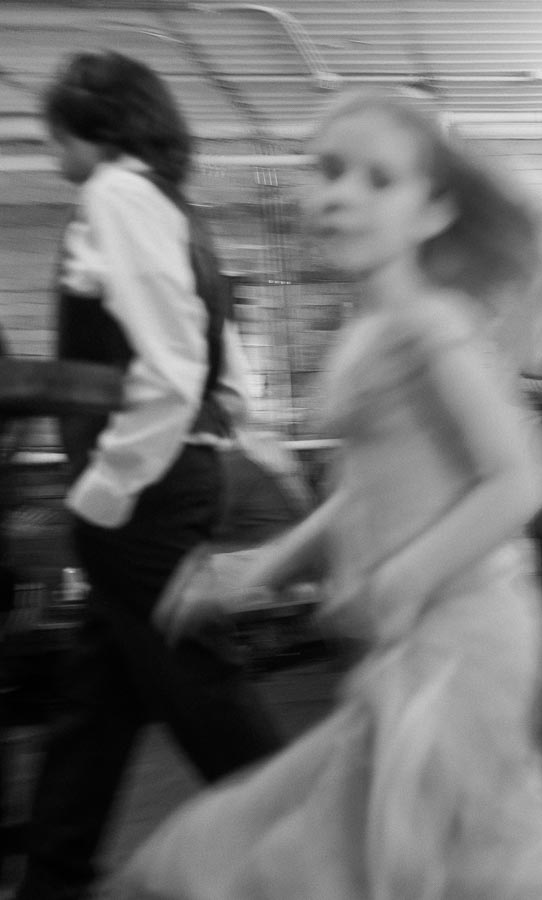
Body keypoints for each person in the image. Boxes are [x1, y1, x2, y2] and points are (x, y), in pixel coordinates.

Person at [112, 91, 542, 898]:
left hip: (468, 639)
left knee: (491, 860)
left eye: (379, 179)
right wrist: (260, 567)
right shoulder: (369, 332)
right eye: (328, 170)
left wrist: (405, 577)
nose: (342, 193)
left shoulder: (433, 324)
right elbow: (368, 492)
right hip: (413, 645)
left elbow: (523, 477)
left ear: (433, 211)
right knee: (398, 858)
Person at [16, 51, 284, 900]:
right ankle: (53, 879)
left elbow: (171, 372)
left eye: (55, 137)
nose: (54, 157)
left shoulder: (115, 196)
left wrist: (105, 487)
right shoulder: (176, 210)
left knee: (203, 691)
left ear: (90, 131)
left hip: (141, 492)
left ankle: (319, 858)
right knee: (94, 709)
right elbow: (227, 378)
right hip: (174, 479)